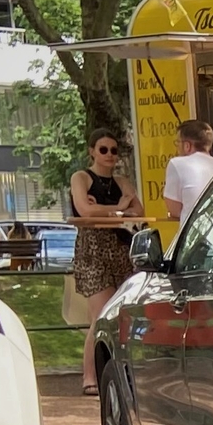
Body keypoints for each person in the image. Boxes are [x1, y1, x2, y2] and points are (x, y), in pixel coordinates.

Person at [68, 129, 143, 395]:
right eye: (103, 150)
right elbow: (84, 210)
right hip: (93, 251)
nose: (109, 155)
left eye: (113, 150)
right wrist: (117, 208)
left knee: (122, 315)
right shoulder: (81, 178)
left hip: (120, 249)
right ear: (92, 151)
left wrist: (112, 208)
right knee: (100, 317)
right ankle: (90, 376)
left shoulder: (121, 181)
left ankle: (120, 374)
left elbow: (139, 211)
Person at [162, 118, 213, 222]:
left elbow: (174, 209)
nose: (177, 147)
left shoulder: (177, 164)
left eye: (178, 142)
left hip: (194, 233)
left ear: (187, 146)